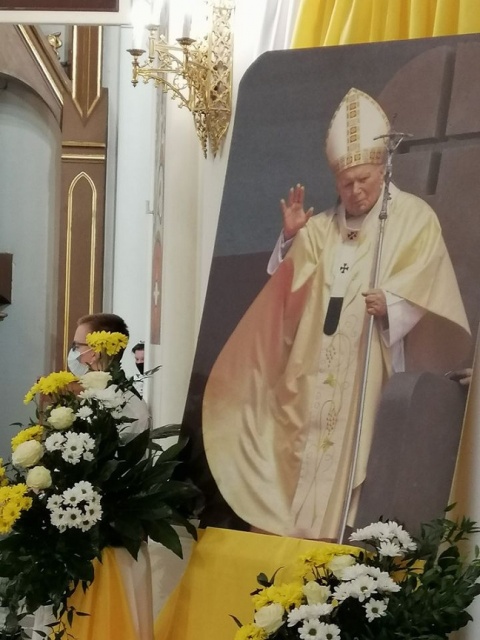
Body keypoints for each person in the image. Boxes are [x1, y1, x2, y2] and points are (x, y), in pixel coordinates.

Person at [202, 88, 471, 541]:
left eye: (363, 179)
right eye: (346, 183)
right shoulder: (322, 228)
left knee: (354, 454)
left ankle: (339, 541)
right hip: (308, 373)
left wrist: (394, 305)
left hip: (368, 366)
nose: (355, 191)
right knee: (292, 442)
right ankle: (290, 537)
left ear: (383, 169)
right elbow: (289, 292)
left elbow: (428, 281)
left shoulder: (413, 218)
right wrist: (291, 240)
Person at [68, 313, 150, 437]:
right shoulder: (91, 393)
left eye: (77, 346)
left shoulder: (128, 409)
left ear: (96, 352)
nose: (73, 351)